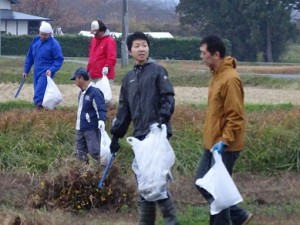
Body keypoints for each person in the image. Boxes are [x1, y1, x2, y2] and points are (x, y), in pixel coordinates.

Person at [109, 32, 179, 225]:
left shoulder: (158, 71)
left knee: (155, 181)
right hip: (139, 137)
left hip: (156, 134)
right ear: (130, 50)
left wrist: (162, 118)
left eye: (144, 45)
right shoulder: (129, 78)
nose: (141, 49)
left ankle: (171, 221)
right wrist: (116, 136)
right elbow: (124, 110)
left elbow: (168, 96)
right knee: (144, 181)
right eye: (137, 46)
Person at [195, 35, 253, 225]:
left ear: (216, 54)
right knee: (202, 181)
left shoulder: (230, 79)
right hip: (211, 142)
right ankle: (238, 215)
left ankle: (233, 217)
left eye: (204, 53)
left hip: (225, 145)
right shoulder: (217, 74)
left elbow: (235, 115)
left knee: (217, 191)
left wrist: (225, 140)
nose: (201, 57)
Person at [23, 21, 64, 109]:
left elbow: (59, 59)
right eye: (41, 34)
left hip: (46, 72)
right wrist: (26, 70)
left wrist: (52, 69)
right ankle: (50, 110)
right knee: (40, 91)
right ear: (39, 32)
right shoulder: (35, 40)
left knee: (39, 92)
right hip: (36, 71)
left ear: (50, 34)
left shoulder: (54, 44)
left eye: (45, 35)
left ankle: (38, 109)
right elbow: (30, 56)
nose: (43, 37)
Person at [70, 67, 107, 163]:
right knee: (80, 154)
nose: (75, 81)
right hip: (80, 128)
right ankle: (83, 174)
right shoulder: (81, 93)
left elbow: (101, 109)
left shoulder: (94, 93)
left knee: (95, 152)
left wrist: (101, 120)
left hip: (91, 129)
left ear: (81, 78)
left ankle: (107, 169)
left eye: (75, 79)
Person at [87, 20, 117, 108]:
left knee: (105, 98)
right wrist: (88, 69)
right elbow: (91, 56)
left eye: (96, 33)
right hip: (94, 73)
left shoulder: (109, 41)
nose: (95, 35)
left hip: (105, 75)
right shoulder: (94, 40)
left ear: (102, 31)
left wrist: (107, 66)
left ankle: (110, 113)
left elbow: (112, 57)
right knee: (97, 98)